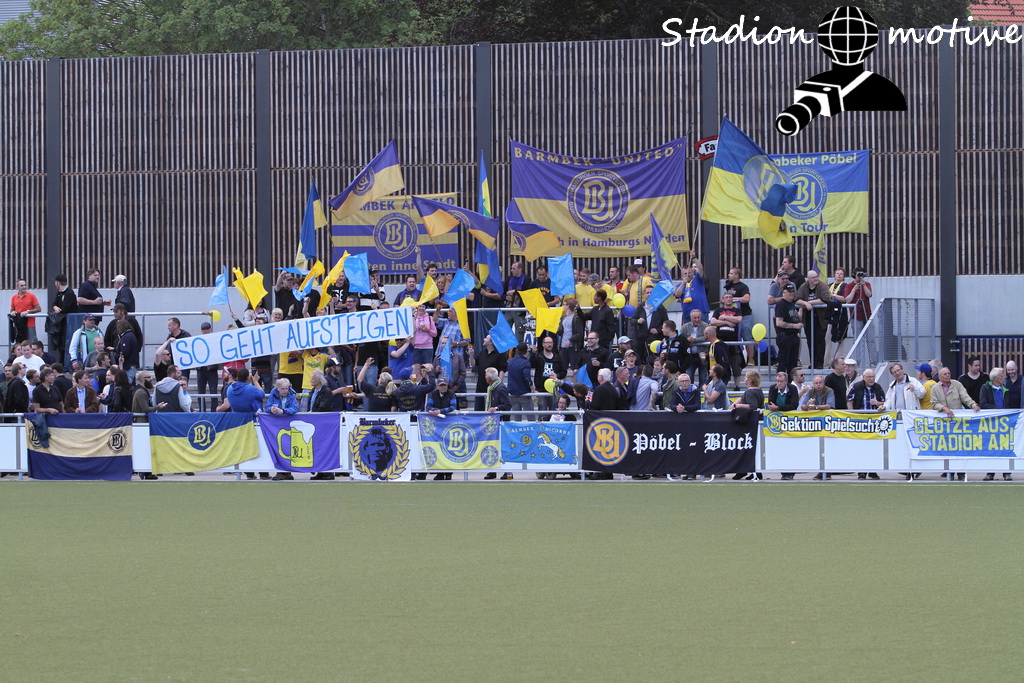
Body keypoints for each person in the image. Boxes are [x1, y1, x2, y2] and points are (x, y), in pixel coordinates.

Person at [730, 369, 765, 480]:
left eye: (746, 377)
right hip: (757, 421)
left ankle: (744, 470)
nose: (744, 379)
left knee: (746, 447)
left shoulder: (750, 392)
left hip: (750, 422)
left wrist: (737, 406)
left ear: (750, 380)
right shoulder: (758, 391)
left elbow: (752, 406)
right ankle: (755, 472)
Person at [795, 269, 831, 369]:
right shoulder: (804, 286)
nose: (816, 279)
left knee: (820, 340)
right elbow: (796, 299)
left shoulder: (822, 285)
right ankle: (813, 362)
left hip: (820, 319)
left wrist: (810, 303)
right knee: (810, 341)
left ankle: (819, 363)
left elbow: (825, 299)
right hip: (808, 319)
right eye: (813, 277)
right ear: (808, 279)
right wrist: (805, 303)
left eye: (816, 277)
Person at [767, 371, 800, 480]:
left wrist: (778, 408)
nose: (779, 383)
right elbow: (771, 404)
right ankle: (783, 471)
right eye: (777, 381)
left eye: (781, 381)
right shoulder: (772, 388)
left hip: (789, 421)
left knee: (790, 447)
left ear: (786, 382)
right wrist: (777, 408)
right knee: (779, 448)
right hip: (777, 422)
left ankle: (790, 472)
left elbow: (794, 405)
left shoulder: (792, 389)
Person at [710, 291, 744, 387]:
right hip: (721, 342)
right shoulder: (718, 310)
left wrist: (723, 317)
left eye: (730, 297)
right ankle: (720, 385)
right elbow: (713, 321)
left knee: (735, 365)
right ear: (723, 300)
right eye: (726, 297)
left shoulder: (737, 310)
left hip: (734, 342)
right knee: (721, 365)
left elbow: (739, 319)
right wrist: (727, 322)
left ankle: (737, 386)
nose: (729, 299)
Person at [844, 268, 874, 362]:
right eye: (858, 275)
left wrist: (863, 285)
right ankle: (857, 361)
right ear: (854, 275)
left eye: (861, 275)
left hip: (867, 315)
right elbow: (847, 300)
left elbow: (869, 295)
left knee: (871, 340)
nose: (860, 277)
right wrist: (854, 289)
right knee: (857, 340)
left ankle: (873, 360)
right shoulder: (849, 286)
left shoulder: (867, 284)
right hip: (856, 316)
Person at [724, 267, 754, 360]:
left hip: (744, 314)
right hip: (732, 315)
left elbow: (747, 299)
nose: (729, 275)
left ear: (737, 275)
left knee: (746, 333)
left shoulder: (743, 286)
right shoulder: (728, 285)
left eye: (731, 273)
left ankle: (751, 358)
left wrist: (734, 299)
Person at [773, 282, 803, 375]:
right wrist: (795, 326)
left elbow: (795, 317)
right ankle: (780, 382)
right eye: (789, 292)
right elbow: (779, 322)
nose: (792, 293)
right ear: (784, 292)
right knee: (783, 363)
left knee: (793, 365)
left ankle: (791, 383)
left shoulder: (791, 304)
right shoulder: (781, 304)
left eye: (793, 291)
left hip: (794, 336)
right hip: (785, 337)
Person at [48, 273, 78, 365]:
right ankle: (61, 362)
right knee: (60, 344)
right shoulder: (59, 293)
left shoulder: (69, 293)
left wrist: (59, 309)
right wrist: (55, 307)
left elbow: (66, 308)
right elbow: (54, 303)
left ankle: (67, 363)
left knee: (67, 343)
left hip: (69, 323)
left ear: (58, 283)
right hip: (61, 322)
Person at [531, 335, 564, 412]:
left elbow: (563, 372)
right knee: (542, 410)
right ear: (543, 344)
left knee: (553, 410)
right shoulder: (539, 356)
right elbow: (531, 365)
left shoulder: (557, 357)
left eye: (551, 342)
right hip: (541, 389)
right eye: (547, 342)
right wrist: (533, 353)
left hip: (553, 389)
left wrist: (557, 375)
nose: (550, 344)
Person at [680, 308, 708, 386]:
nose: (697, 320)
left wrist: (694, 340)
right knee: (689, 376)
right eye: (695, 318)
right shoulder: (685, 327)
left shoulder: (705, 326)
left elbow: (707, 337)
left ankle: (702, 392)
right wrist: (687, 340)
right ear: (691, 318)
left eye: (698, 317)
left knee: (703, 378)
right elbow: (680, 338)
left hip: (702, 355)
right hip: (690, 356)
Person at [507, 343, 535, 420]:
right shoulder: (525, 362)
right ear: (526, 351)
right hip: (524, 393)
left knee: (517, 418)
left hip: (513, 393)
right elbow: (527, 378)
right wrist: (533, 389)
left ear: (517, 350)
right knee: (531, 418)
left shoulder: (511, 361)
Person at [9, 279, 41, 343]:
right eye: (22, 285)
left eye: (25, 285)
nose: (24, 287)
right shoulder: (14, 297)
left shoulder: (31, 296)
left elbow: (39, 309)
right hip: (19, 324)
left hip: (30, 324)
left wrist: (28, 311)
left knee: (31, 342)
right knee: (20, 343)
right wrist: (13, 312)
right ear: (17, 287)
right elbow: (12, 309)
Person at [195, 321, 220, 398]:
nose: (205, 331)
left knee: (213, 391)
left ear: (210, 329)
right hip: (201, 369)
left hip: (211, 369)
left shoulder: (214, 340)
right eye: (203, 329)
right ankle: (201, 406)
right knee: (200, 391)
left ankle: (214, 406)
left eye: (207, 329)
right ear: (201, 330)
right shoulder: (197, 341)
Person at [113, 319, 141, 384]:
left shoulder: (126, 337)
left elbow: (124, 352)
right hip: (133, 365)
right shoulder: (131, 335)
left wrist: (115, 355)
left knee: (126, 383)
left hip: (128, 366)